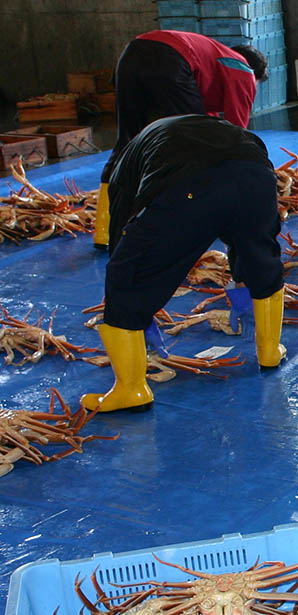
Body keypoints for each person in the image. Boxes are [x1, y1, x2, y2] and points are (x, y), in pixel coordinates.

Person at [81, 114, 286, 413]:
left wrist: (130, 303)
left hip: (192, 186)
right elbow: (246, 225)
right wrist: (244, 273)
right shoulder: (209, 127)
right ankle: (269, 350)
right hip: (256, 174)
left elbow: (124, 225)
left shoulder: (128, 160)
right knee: (259, 252)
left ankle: (131, 389)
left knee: (126, 272)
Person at [93, 30, 269, 248]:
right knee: (192, 146)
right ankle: (198, 218)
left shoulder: (212, 60)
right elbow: (235, 135)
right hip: (168, 60)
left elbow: (207, 121)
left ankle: (105, 231)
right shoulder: (242, 69)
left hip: (131, 55)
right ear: (256, 73)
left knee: (128, 141)